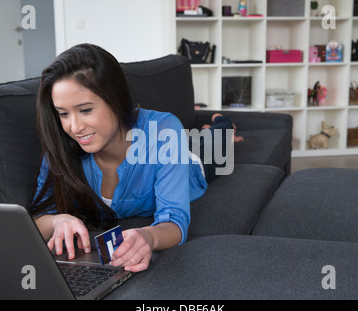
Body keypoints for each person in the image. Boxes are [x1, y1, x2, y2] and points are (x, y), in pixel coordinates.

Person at [29, 43, 239, 273]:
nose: (75, 127)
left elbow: (175, 220)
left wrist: (149, 236)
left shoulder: (164, 128)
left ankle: (222, 124)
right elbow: (38, 216)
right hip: (171, 147)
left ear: (116, 99)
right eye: (63, 114)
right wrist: (58, 221)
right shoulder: (60, 144)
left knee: (219, 140)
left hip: (191, 162)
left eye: (86, 110)